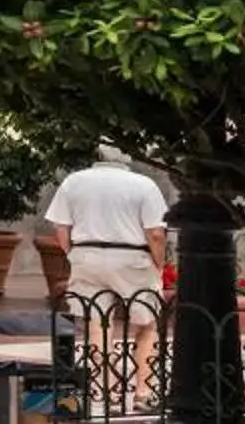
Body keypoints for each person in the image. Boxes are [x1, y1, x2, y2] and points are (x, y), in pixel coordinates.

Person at [43, 145, 168, 393]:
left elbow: (61, 228)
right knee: (146, 322)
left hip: (86, 255)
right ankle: (144, 389)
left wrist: (73, 255)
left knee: (96, 320)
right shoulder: (143, 184)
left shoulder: (73, 182)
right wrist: (159, 263)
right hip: (132, 257)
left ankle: (105, 386)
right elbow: (155, 233)